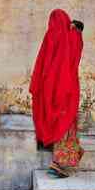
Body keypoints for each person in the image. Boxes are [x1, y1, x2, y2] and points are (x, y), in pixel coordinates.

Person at [29, 10, 85, 179]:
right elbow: (75, 55)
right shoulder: (68, 38)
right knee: (65, 122)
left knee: (55, 120)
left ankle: (56, 156)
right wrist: (78, 31)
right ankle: (58, 165)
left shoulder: (50, 37)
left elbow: (41, 63)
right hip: (65, 88)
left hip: (48, 88)